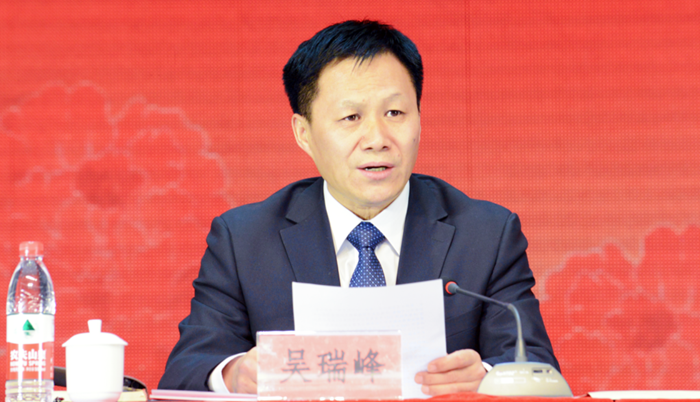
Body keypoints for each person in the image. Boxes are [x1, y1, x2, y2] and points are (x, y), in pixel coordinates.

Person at [159, 20, 558, 395]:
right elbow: (185, 372)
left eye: (395, 113)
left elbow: (538, 368)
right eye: (351, 117)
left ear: (420, 118)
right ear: (303, 133)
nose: (377, 138)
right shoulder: (245, 241)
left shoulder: (486, 235)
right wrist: (234, 375)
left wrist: (487, 378)